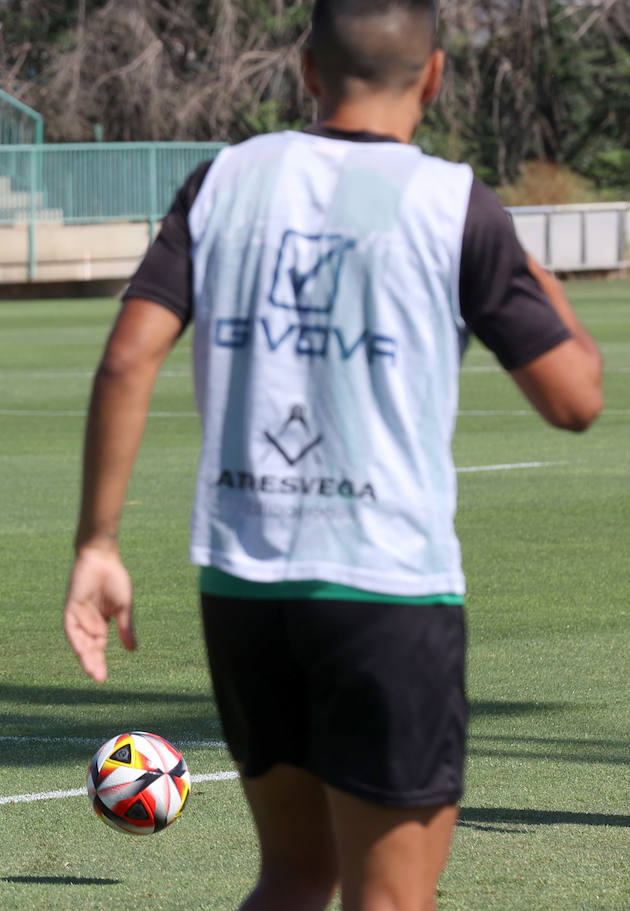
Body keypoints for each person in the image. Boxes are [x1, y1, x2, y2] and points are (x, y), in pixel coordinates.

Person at [63, 1, 603, 908]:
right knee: (388, 897)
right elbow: (576, 398)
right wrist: (522, 263)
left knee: (294, 876)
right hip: (386, 589)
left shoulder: (224, 180)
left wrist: (98, 543)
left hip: (246, 586)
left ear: (307, 70)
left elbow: (126, 359)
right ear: (434, 76)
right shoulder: (452, 202)